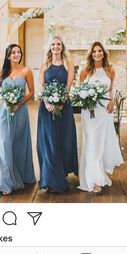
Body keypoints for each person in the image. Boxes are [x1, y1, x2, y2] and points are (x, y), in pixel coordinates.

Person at [78, 42, 123, 193]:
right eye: (94, 51)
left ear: (104, 53)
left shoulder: (110, 70)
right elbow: (80, 91)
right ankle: (93, 179)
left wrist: (111, 102)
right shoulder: (85, 71)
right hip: (90, 112)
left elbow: (110, 89)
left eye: (100, 51)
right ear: (91, 54)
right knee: (91, 143)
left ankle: (99, 174)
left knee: (100, 144)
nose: (97, 54)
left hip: (104, 112)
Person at [0, 44, 35, 195]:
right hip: (3, 113)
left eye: (19, 52)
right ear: (8, 55)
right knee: (4, 143)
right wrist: (3, 103)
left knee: (18, 143)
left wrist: (19, 104)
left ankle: (21, 175)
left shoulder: (26, 71)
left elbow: (31, 92)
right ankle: (5, 180)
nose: (17, 54)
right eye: (13, 52)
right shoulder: (1, 71)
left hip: (20, 111)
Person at [37, 36, 78, 193]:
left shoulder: (68, 64)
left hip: (63, 108)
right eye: (53, 44)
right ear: (50, 47)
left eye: (58, 44)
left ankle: (61, 175)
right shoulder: (45, 64)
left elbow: (68, 86)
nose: (56, 47)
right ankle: (49, 178)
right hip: (46, 109)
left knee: (62, 140)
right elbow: (41, 84)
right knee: (48, 142)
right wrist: (47, 102)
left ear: (62, 46)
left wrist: (61, 102)